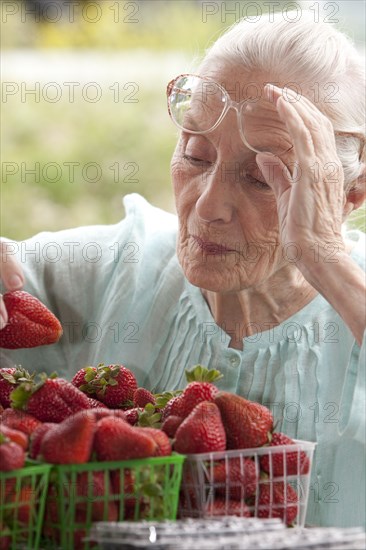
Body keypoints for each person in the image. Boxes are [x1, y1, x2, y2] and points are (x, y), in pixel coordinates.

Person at [0, 11, 365, 529]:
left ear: (350, 194)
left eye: (263, 180)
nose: (209, 205)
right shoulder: (118, 268)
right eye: (196, 155)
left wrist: (326, 257)